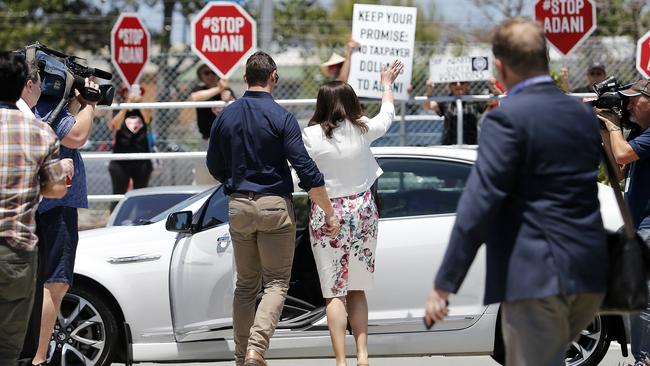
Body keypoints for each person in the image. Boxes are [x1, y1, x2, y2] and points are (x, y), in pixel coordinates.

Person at [424, 18, 608, 366]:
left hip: (536, 276)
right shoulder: (582, 114)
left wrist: (445, 284)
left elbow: (480, 204)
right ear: (545, 59)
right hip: (588, 276)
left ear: (500, 67)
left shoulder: (506, 119)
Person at [206, 51, 341, 366]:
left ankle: (242, 358)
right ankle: (256, 350)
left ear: (245, 79)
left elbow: (213, 164)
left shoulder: (226, 115)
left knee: (245, 285)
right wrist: (328, 210)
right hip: (274, 207)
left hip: (238, 204)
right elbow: (305, 168)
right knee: (277, 282)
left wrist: (233, 179)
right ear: (274, 77)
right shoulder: (282, 117)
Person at [302, 59, 403, 366]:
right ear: (350, 103)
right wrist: (387, 83)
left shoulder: (311, 136)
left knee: (333, 292)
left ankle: (341, 361)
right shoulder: (361, 129)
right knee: (357, 287)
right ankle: (362, 355)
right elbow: (387, 116)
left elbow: (301, 176)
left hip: (327, 212)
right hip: (362, 210)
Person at [0, 51, 67, 366]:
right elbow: (56, 189)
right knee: (9, 345)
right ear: (22, 87)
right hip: (16, 249)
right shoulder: (40, 133)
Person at [31, 76, 99, 366]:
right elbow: (77, 136)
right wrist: (91, 103)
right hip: (56, 206)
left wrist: (74, 100)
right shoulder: (48, 109)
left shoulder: (33, 108)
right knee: (56, 282)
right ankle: (39, 357)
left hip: (32, 206)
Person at [597, 79, 650, 366]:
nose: (628, 104)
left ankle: (645, 359)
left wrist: (615, 127)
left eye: (634, 99)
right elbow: (618, 170)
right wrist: (606, 128)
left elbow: (622, 154)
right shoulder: (640, 132)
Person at [107, 85, 154, 210]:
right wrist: (126, 107)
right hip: (120, 158)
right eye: (129, 91)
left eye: (136, 91)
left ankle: (140, 221)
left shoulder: (143, 108)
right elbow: (114, 125)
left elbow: (148, 119)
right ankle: (115, 223)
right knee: (118, 194)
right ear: (124, 93)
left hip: (141, 157)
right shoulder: (119, 107)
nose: (133, 94)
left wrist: (140, 103)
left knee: (141, 194)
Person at [188, 64, 235, 185]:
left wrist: (226, 93)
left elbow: (232, 101)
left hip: (225, 141)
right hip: (206, 141)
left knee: (224, 179)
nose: (210, 76)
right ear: (201, 76)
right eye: (206, 73)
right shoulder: (199, 89)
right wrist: (219, 89)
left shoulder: (227, 90)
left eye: (213, 72)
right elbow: (194, 98)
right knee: (202, 179)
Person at [423, 79, 485, 145]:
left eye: (462, 82)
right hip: (449, 146)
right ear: (450, 86)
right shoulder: (445, 100)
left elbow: (492, 102)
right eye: (454, 83)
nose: (458, 85)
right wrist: (429, 91)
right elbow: (428, 106)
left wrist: (493, 87)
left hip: (471, 145)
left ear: (467, 85)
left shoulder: (475, 99)